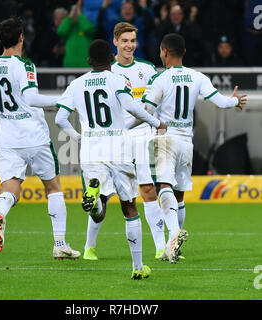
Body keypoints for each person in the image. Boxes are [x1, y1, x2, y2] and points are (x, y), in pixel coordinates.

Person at [55, 39, 167, 279]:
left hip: (91, 149)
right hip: (118, 146)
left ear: (88, 61)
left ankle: (94, 200)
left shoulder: (76, 84)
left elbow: (60, 119)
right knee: (129, 207)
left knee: (100, 207)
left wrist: (78, 137)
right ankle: (138, 268)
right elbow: (134, 109)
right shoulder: (117, 80)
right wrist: (157, 122)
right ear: (110, 59)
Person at [141, 33, 247, 263]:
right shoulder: (197, 76)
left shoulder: (160, 79)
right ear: (184, 52)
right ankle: (173, 247)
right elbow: (220, 101)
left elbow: (147, 109)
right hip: (186, 143)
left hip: (166, 138)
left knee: (164, 186)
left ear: (164, 52)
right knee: (179, 195)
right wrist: (235, 101)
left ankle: (173, 234)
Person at [0, 17, 80, 260]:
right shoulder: (24, 65)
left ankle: (0, 213)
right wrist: (62, 101)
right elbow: (32, 98)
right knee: (53, 186)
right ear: (21, 38)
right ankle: (60, 244)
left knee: (11, 188)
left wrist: (9, 108)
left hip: (7, 138)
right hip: (34, 135)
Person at [83, 22, 166, 262]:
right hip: (114, 139)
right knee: (105, 194)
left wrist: (154, 123)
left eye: (133, 41)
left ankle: (161, 247)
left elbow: (152, 103)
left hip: (141, 137)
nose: (129, 45)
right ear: (115, 42)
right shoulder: (108, 72)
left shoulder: (148, 68)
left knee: (148, 190)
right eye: (125, 41)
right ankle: (90, 246)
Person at [56, 0, 96, 67]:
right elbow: (61, 31)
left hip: (85, 65)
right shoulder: (69, 28)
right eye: (74, 12)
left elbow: (88, 29)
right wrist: (70, 15)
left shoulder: (88, 24)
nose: (75, 14)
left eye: (77, 12)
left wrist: (79, 13)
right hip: (69, 65)